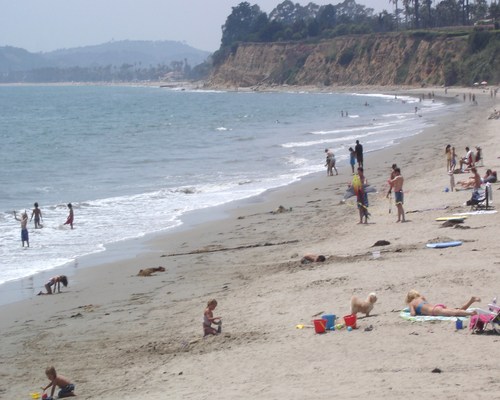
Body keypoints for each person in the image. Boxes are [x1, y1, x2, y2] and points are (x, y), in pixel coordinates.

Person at [405, 290, 480, 317]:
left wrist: (411, 309)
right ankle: (471, 301)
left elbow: (413, 314)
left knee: (455, 313)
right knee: (457, 310)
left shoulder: (412, 303)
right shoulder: (421, 297)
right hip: (437, 306)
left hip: (434, 311)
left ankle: (471, 313)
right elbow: (425, 305)